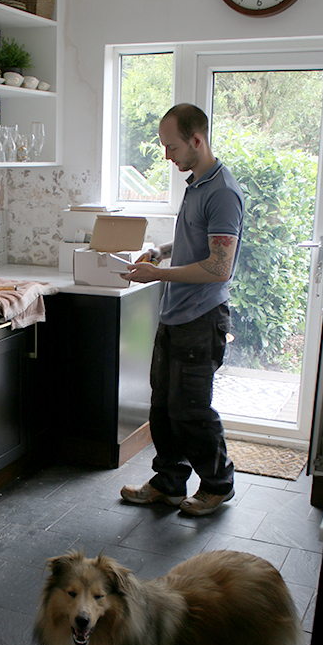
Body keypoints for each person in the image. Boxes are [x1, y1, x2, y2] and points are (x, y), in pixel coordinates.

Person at [120, 103, 244, 517]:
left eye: (172, 147)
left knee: (191, 410)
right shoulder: (196, 185)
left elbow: (217, 266)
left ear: (196, 140)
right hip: (175, 315)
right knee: (163, 406)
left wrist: (158, 274)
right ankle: (169, 483)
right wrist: (161, 252)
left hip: (201, 317)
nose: (168, 156)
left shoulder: (222, 192)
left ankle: (217, 485)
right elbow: (197, 243)